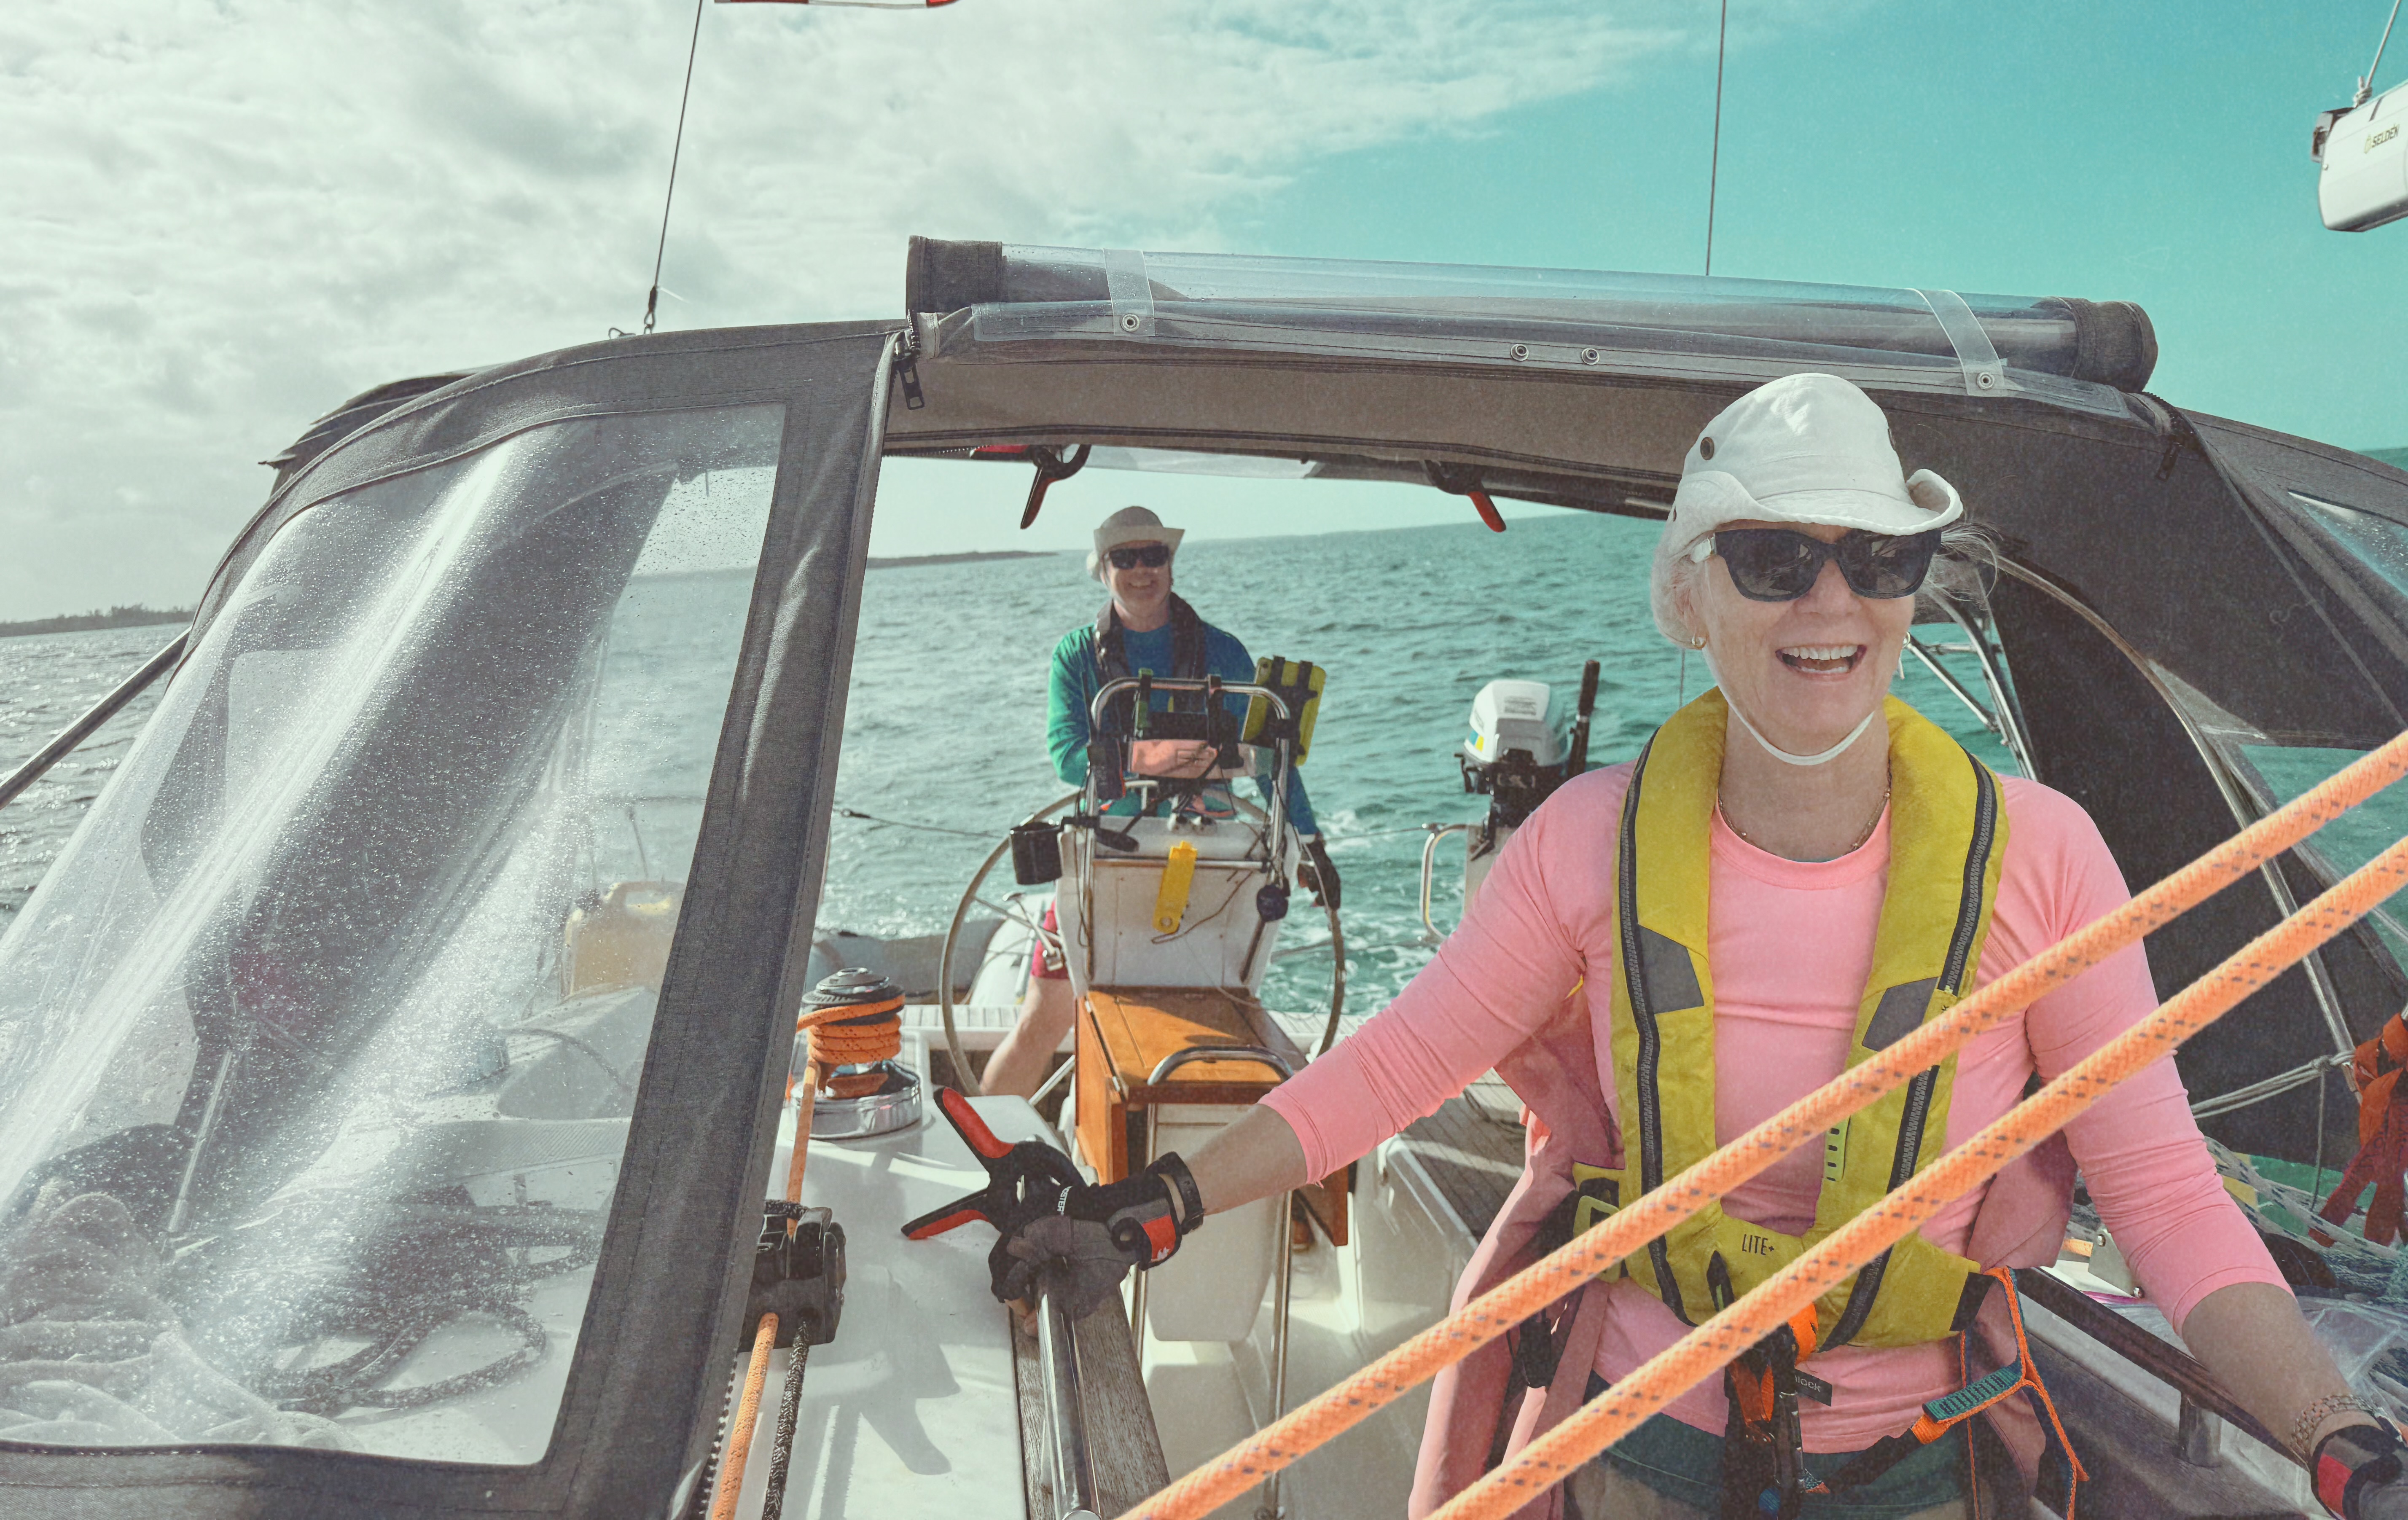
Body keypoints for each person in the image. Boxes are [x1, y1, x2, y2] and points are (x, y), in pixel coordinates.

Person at [985, 377, 2408, 1518]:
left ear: (1915, 583)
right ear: (1692, 589)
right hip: (1631, 1453)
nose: (1829, 601)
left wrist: (2337, 1437)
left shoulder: (2043, 856)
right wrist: (1157, 1199)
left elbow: (2162, 1196)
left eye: (1877, 555)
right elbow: (1394, 1070)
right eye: (1776, 556)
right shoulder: (1583, 843)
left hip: (1920, 1462)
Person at [981, 506, 1339, 1098]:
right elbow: (1068, 754)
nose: (1142, 569)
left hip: (1211, 860)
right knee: (1042, 1022)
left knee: (1218, 1007)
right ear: (1103, 570)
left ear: (1171, 566)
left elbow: (1273, 758)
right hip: (1105, 855)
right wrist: (1152, 757)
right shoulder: (1075, 657)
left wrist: (1313, 846)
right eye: (1126, 557)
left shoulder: (1224, 653)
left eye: (1155, 556)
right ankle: (979, 1151)